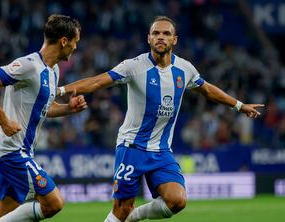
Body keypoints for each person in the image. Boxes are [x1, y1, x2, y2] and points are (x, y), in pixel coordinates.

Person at [58, 16, 264, 222]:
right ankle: (126, 215)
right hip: (132, 148)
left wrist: (239, 105)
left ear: (175, 39)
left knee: (177, 200)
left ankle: (134, 217)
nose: (160, 37)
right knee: (121, 208)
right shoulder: (134, 66)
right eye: (156, 33)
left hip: (162, 151)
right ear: (148, 38)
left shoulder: (185, 69)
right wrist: (61, 90)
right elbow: (97, 82)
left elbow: (207, 90)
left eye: (166, 34)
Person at [0, 14, 87, 222]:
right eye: (75, 42)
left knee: (4, 215)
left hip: (21, 150)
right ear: (64, 41)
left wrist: (68, 109)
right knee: (54, 203)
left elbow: (45, 107)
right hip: (11, 151)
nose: (75, 47)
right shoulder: (28, 65)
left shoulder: (53, 71)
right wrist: (4, 122)